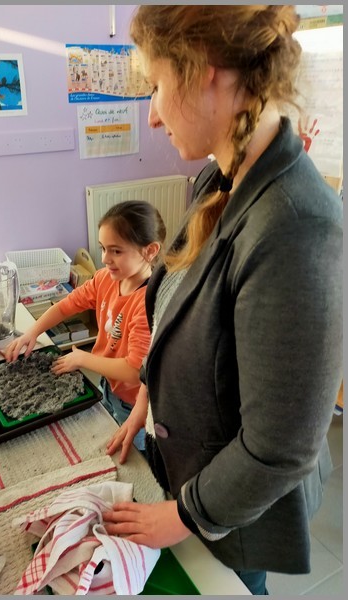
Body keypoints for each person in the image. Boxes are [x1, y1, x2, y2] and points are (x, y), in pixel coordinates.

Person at [103, 5, 342, 595]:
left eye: (156, 86)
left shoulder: (296, 225)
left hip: (230, 510)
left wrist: (182, 515)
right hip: (182, 463)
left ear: (203, 68)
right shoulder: (220, 179)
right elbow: (178, 317)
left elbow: (280, 446)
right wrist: (142, 410)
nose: (152, 114)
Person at [4, 200, 166, 451]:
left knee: (134, 455)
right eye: (103, 248)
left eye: (116, 251)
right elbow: (65, 306)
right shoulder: (104, 279)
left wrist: (82, 358)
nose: (105, 259)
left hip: (134, 403)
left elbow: (134, 371)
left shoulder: (148, 302)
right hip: (108, 385)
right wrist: (33, 332)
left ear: (150, 250)